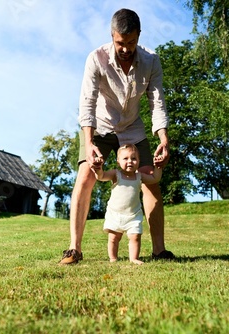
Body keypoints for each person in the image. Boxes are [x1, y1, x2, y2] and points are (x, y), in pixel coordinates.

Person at [60, 8, 174, 264]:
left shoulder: (151, 61)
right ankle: (74, 249)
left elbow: (157, 103)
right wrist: (89, 143)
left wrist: (163, 140)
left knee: (152, 182)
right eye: (120, 42)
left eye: (131, 42)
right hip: (99, 126)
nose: (125, 48)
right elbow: (87, 104)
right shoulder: (96, 59)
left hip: (132, 128)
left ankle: (159, 250)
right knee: (86, 176)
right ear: (112, 36)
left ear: (139, 36)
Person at [92, 144, 163, 264]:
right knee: (114, 238)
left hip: (133, 215)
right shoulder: (116, 174)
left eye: (134, 158)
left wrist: (158, 166)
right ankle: (113, 258)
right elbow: (101, 177)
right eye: (125, 158)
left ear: (139, 161)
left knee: (135, 237)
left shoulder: (139, 177)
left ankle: (134, 258)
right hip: (115, 214)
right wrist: (98, 169)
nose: (130, 161)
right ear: (118, 161)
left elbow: (155, 178)